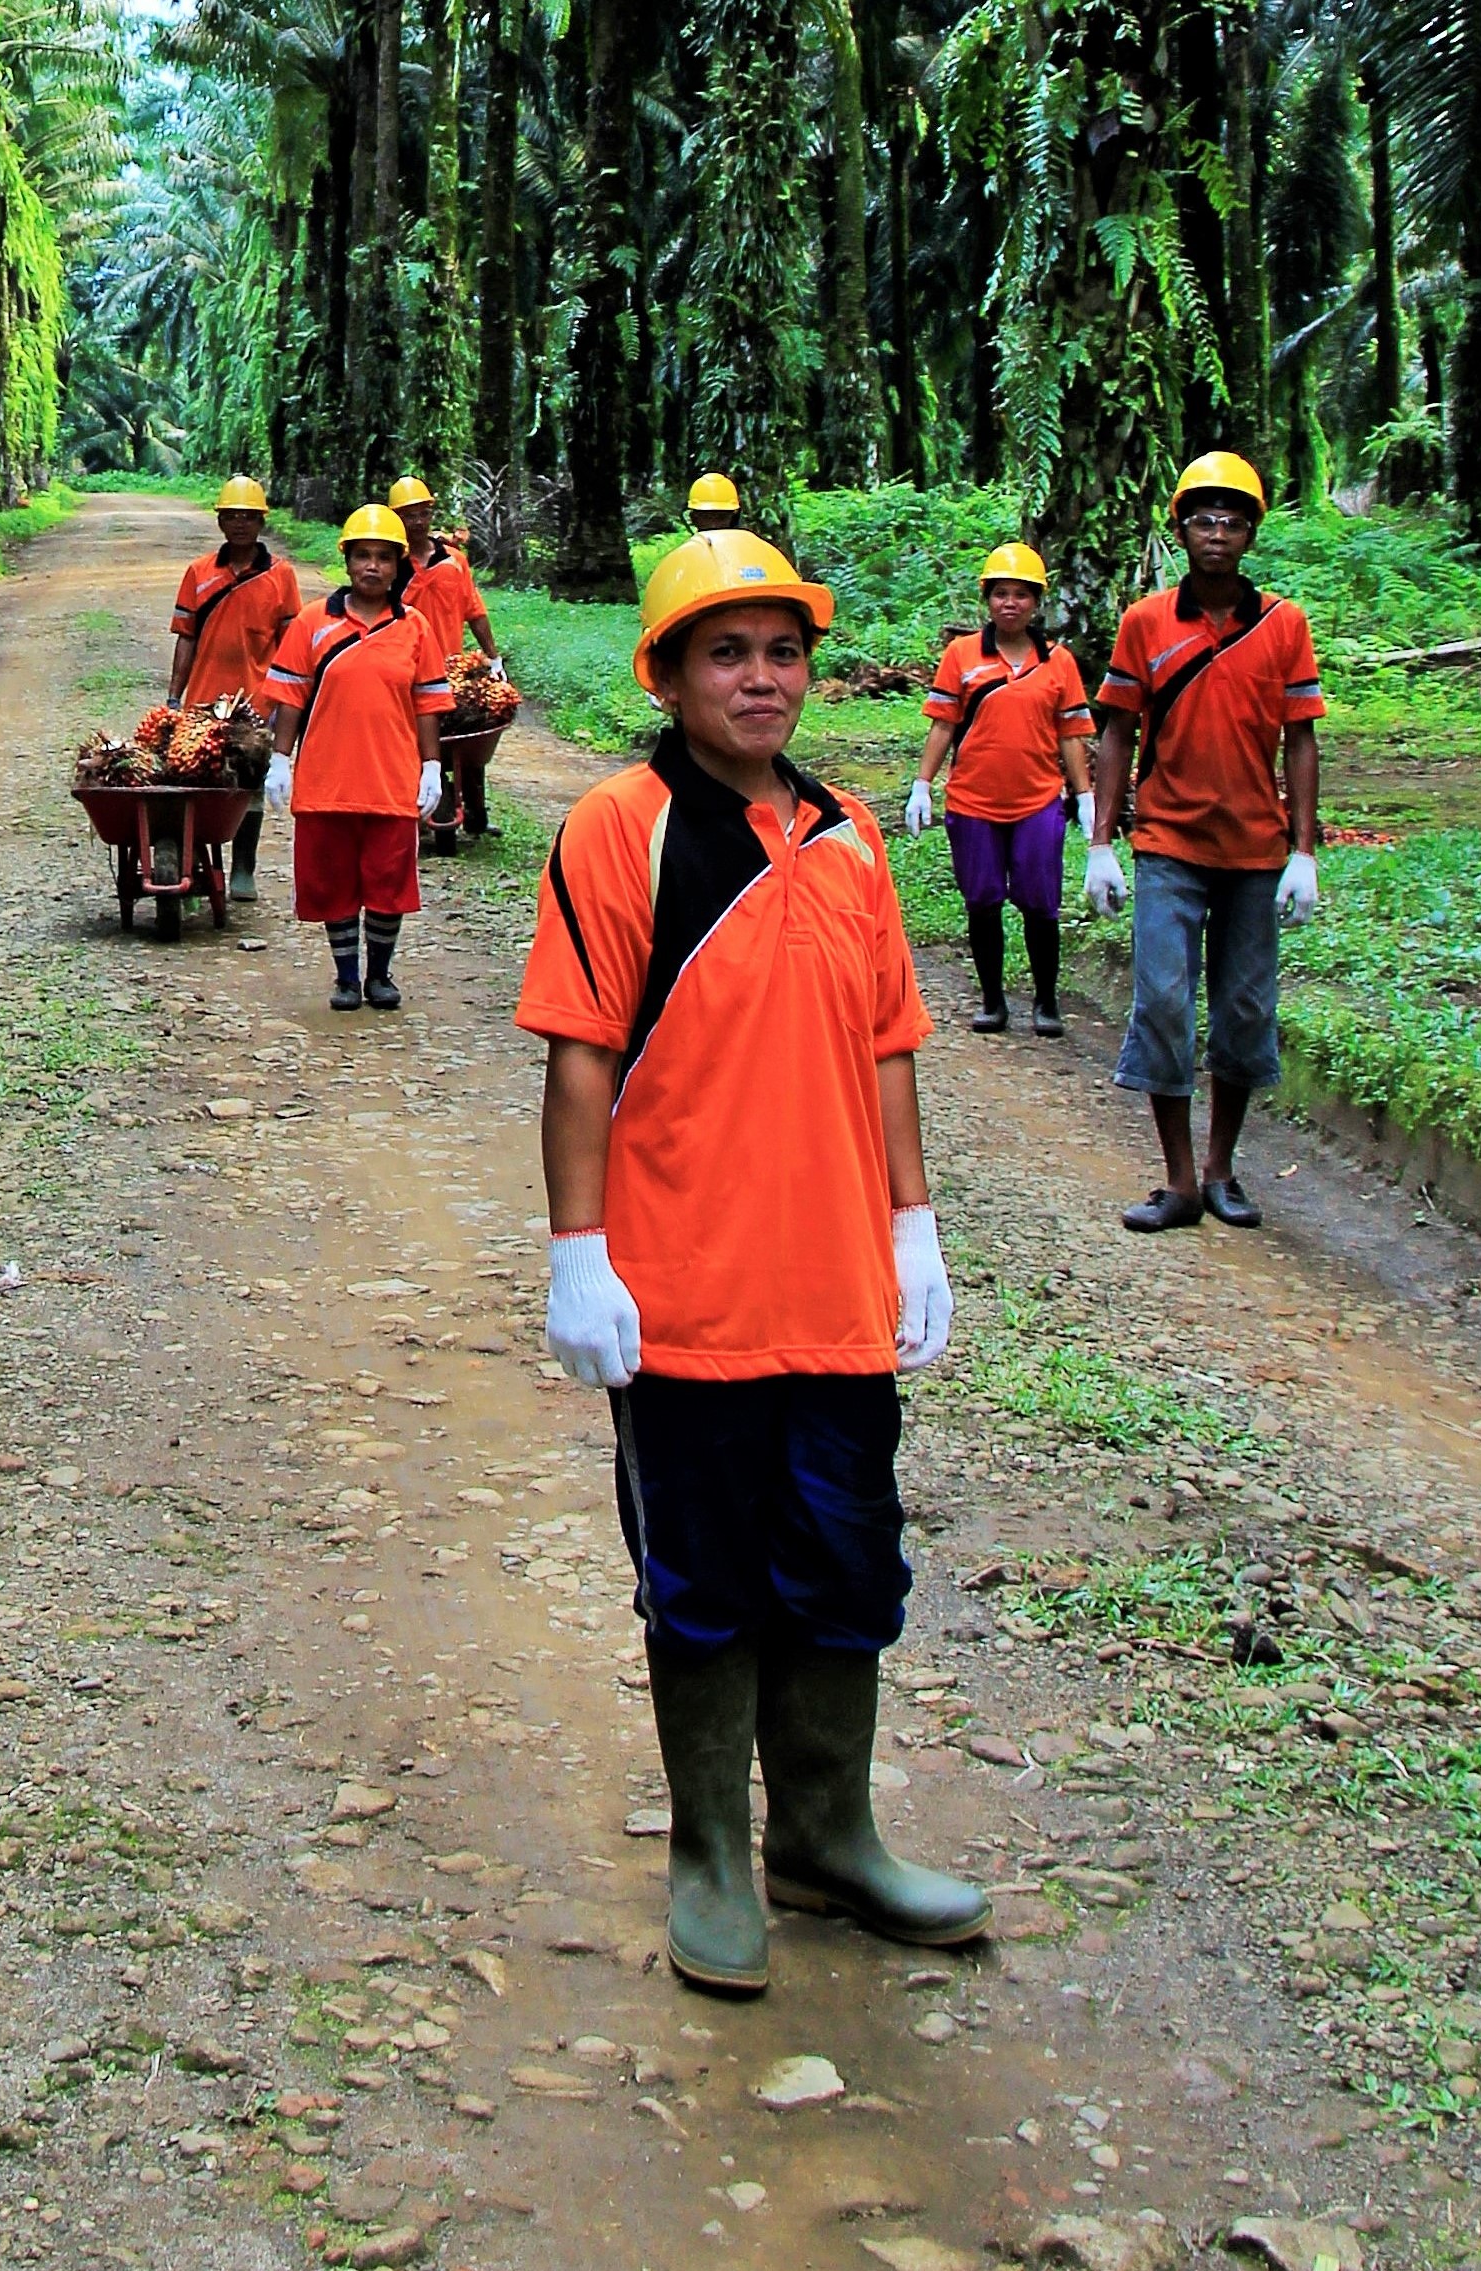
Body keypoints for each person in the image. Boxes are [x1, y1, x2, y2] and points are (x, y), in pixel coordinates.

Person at [516, 527, 983, 1996]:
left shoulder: (847, 836)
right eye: (728, 651)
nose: (762, 678)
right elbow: (580, 1060)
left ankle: (827, 1835)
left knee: (847, 1560)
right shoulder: (620, 827)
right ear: (666, 673)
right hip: (686, 1299)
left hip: (837, 1289)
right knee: (703, 1573)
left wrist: (912, 1227)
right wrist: (577, 1255)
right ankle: (715, 1848)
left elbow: (891, 1044)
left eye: (783, 650)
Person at [1081, 450, 1325, 1234]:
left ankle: (1222, 1168)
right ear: (1180, 530)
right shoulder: (1145, 621)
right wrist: (1098, 842)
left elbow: (1300, 740)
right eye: (1201, 520)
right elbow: (1116, 731)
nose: (1215, 533)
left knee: (1244, 1009)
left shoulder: (1283, 624)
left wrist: (1303, 850)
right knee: (1159, 1000)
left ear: (1250, 533)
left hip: (1254, 852)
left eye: (1231, 520)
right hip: (1167, 843)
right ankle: (1178, 1179)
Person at [261, 505, 450, 1011]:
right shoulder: (311, 623)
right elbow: (290, 698)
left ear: (398, 565)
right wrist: (281, 760)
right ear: (347, 561)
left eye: (384, 558)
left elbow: (428, 703)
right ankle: (346, 977)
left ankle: (380, 975)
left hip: (391, 781)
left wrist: (432, 767)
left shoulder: (416, 629)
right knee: (334, 883)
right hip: (326, 782)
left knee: (388, 884)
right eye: (363, 555)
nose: (373, 566)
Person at [902, 542, 1094, 1035]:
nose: (1010, 604)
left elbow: (1072, 734)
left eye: (1021, 595)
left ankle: (1046, 1002)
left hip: (1037, 801)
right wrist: (922, 784)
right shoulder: (962, 655)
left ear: (1036, 602)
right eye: (1000, 594)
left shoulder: (1059, 663)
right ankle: (992, 1000)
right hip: (973, 802)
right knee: (982, 900)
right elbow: (943, 724)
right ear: (987, 600)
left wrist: (1086, 795)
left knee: (1039, 902)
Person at [166, 476, 302, 902]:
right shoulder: (199, 572)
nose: (240, 523)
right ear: (221, 521)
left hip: (256, 701)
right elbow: (186, 636)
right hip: (203, 699)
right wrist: (174, 696)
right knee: (196, 785)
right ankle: (198, 865)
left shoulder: (281, 576)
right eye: (232, 516)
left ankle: (244, 867)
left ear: (261, 521)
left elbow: (291, 644)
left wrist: (287, 701)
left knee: (250, 786)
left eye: (248, 516)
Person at [388, 477, 506, 852]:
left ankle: (476, 811)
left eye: (423, 513)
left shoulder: (454, 562)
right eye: (408, 515)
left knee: (471, 735)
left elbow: (475, 610)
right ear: (396, 519)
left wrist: (493, 656)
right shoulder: (390, 565)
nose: (417, 522)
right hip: (404, 670)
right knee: (408, 744)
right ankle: (409, 810)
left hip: (451, 668)